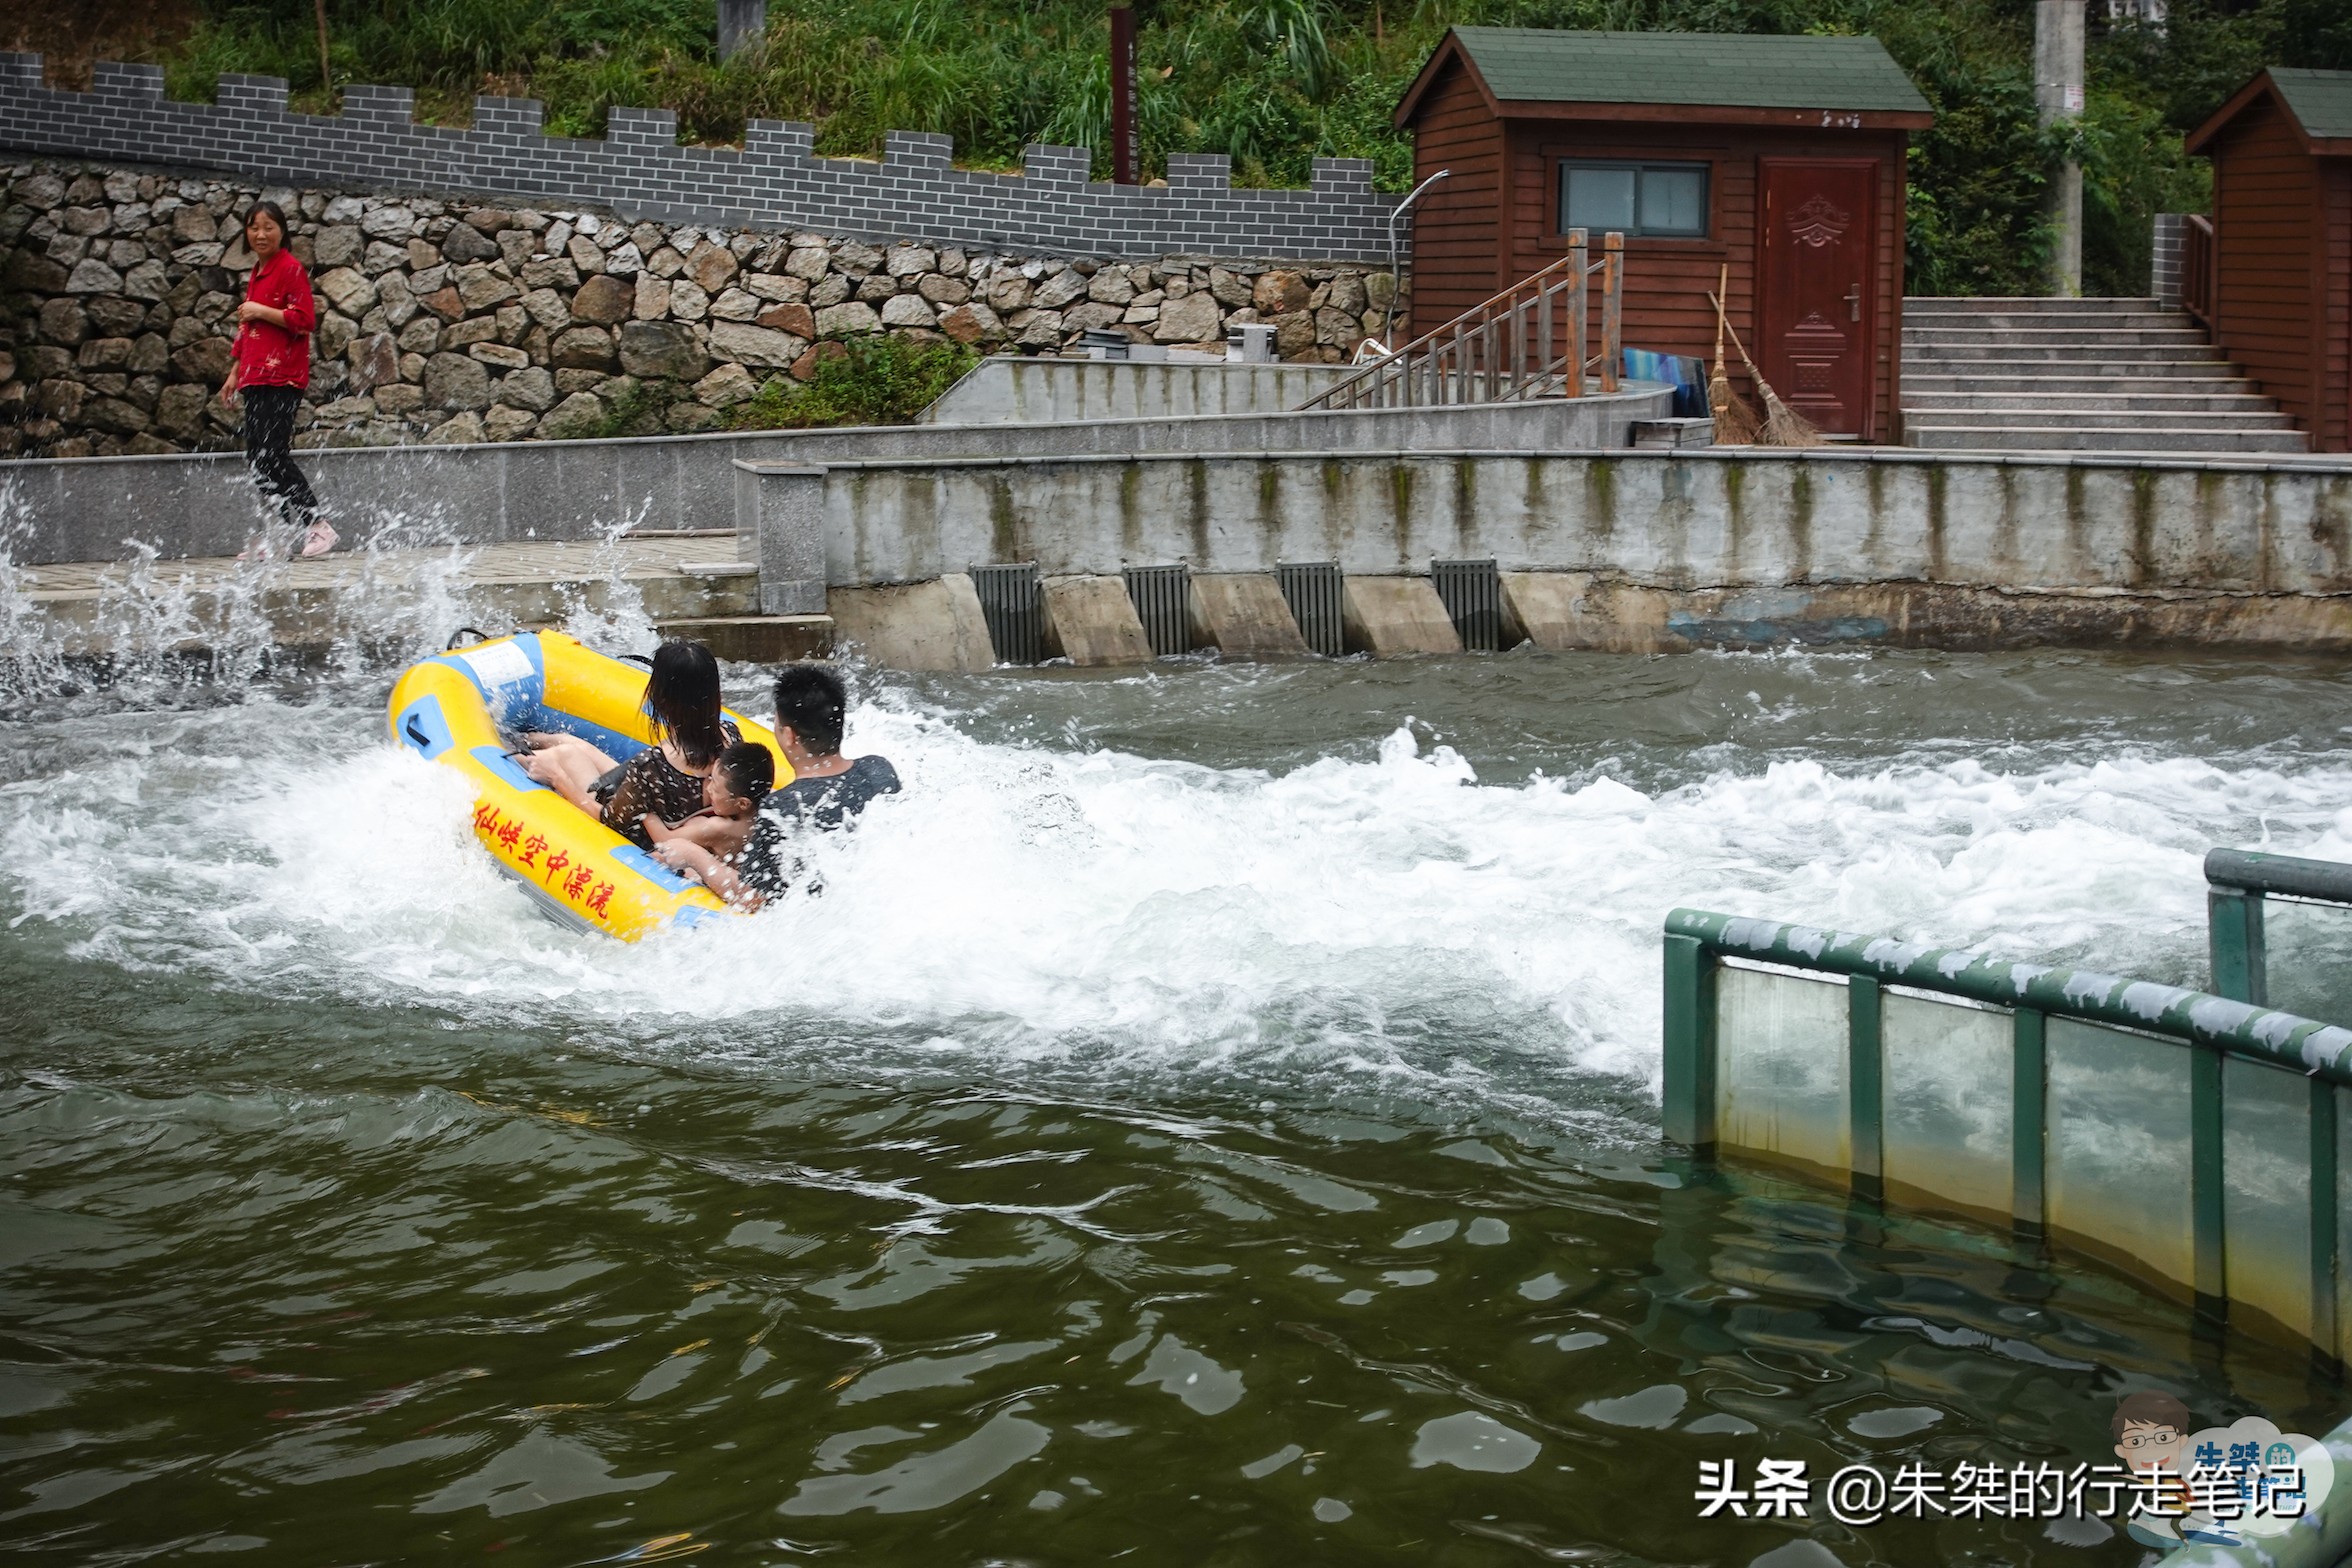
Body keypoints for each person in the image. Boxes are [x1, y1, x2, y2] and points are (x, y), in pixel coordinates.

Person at [654, 664, 899, 906]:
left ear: (790, 735)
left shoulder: (784, 807)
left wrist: (694, 856)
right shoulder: (879, 770)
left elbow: (752, 898)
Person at [522, 640, 739, 849]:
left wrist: (557, 779)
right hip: (643, 796)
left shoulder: (651, 766)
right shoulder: (731, 736)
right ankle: (531, 739)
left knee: (566, 754)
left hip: (629, 820)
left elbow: (607, 819)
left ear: (660, 699)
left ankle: (509, 753)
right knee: (575, 745)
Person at [218, 201, 336, 559]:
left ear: (282, 230)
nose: (260, 234)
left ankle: (318, 526)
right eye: (254, 227)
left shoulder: (290, 269)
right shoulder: (258, 272)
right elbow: (247, 329)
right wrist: (233, 373)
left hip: (281, 376)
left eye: (268, 226)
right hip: (255, 376)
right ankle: (281, 535)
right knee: (258, 461)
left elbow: (303, 319)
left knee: (274, 455)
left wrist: (260, 310)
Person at [642, 741, 774, 864]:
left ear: (743, 804)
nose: (708, 788)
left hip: (708, 879)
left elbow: (665, 840)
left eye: (715, 788)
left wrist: (644, 806)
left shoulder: (720, 828)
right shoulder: (762, 813)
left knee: (659, 856)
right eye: (710, 779)